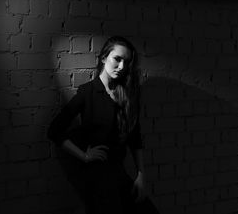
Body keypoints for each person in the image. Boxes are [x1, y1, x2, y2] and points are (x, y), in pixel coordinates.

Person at [47, 36, 160, 214]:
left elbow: (135, 138)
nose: (121, 66)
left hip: (119, 173)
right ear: (103, 58)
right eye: (117, 59)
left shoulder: (127, 95)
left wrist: (141, 175)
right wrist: (84, 156)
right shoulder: (88, 93)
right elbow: (54, 130)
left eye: (126, 62)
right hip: (97, 176)